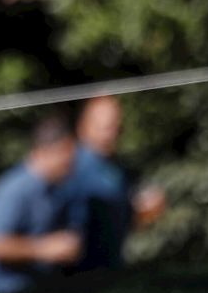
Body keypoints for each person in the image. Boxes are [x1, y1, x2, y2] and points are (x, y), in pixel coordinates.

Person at [0, 114, 84, 293]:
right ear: (43, 153)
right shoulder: (14, 190)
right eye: (66, 156)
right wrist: (43, 249)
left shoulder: (59, 188)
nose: (71, 163)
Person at [68, 95, 166, 273]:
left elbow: (121, 222)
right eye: (103, 127)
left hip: (110, 271)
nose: (111, 134)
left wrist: (142, 212)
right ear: (82, 127)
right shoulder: (71, 168)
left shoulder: (117, 170)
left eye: (115, 126)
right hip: (77, 275)